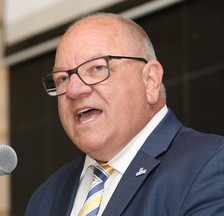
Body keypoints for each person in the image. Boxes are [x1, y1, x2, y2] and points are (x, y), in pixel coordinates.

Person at [25, 12, 224, 216]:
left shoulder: (210, 166)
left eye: (97, 68)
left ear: (150, 81)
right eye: (62, 79)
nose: (74, 90)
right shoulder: (45, 198)